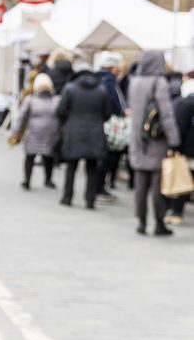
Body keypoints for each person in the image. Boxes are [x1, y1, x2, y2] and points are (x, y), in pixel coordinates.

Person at [128, 50, 181, 235]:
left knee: (140, 185)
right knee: (158, 184)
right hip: (155, 140)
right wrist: (174, 140)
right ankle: (159, 223)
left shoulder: (134, 82)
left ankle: (141, 221)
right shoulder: (159, 82)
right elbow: (166, 113)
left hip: (137, 139)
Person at [55, 62, 112, 209]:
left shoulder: (70, 88)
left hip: (74, 131)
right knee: (92, 168)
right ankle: (90, 200)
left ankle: (67, 197)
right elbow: (107, 114)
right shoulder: (101, 90)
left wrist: (67, 122)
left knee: (71, 166)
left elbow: (60, 111)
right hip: (95, 132)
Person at [9, 73, 59, 190]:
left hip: (33, 133)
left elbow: (21, 117)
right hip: (50, 134)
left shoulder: (30, 100)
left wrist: (16, 132)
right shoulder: (56, 100)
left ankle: (27, 179)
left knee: (30, 157)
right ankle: (48, 179)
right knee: (48, 158)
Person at [95, 51, 126, 196]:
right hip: (110, 122)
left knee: (104, 155)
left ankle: (100, 185)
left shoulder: (99, 78)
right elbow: (113, 101)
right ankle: (100, 186)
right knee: (107, 155)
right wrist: (122, 112)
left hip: (101, 121)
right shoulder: (109, 80)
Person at [166, 72, 194, 225]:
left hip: (188, 150)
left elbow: (179, 128)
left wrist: (174, 147)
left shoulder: (185, 103)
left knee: (182, 182)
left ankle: (176, 213)